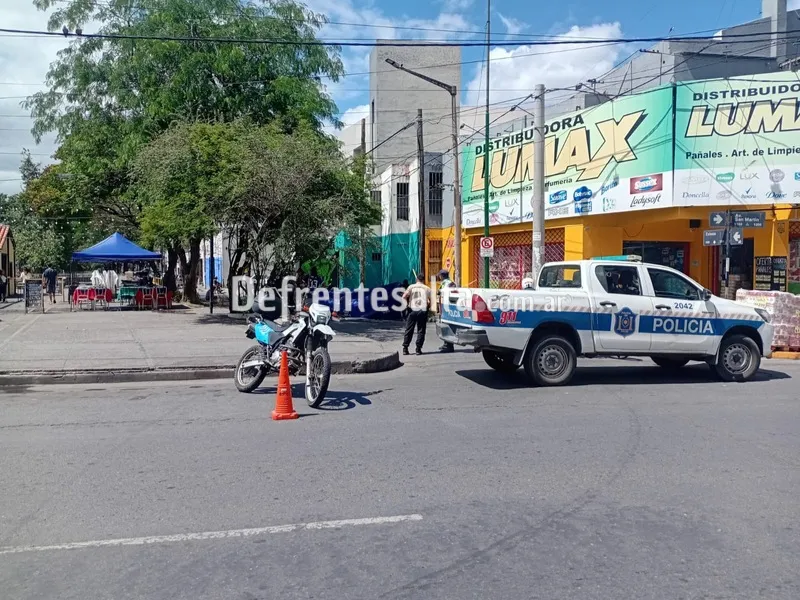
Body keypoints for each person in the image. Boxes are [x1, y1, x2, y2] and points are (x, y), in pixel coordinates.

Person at [401, 273, 431, 355]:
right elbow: (430, 300)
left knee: (409, 329)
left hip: (412, 310)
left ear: (416, 279)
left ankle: (405, 348)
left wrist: (406, 305)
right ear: (423, 280)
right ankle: (418, 349)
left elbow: (404, 297)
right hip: (422, 310)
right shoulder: (427, 288)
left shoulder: (411, 287)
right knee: (421, 330)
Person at [437, 269, 456, 353]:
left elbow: (441, 292)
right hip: (451, 307)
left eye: (440, 275)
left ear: (442, 276)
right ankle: (446, 344)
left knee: (446, 326)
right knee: (448, 325)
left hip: (445, 307)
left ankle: (449, 345)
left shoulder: (445, 283)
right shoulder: (451, 282)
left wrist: (438, 292)